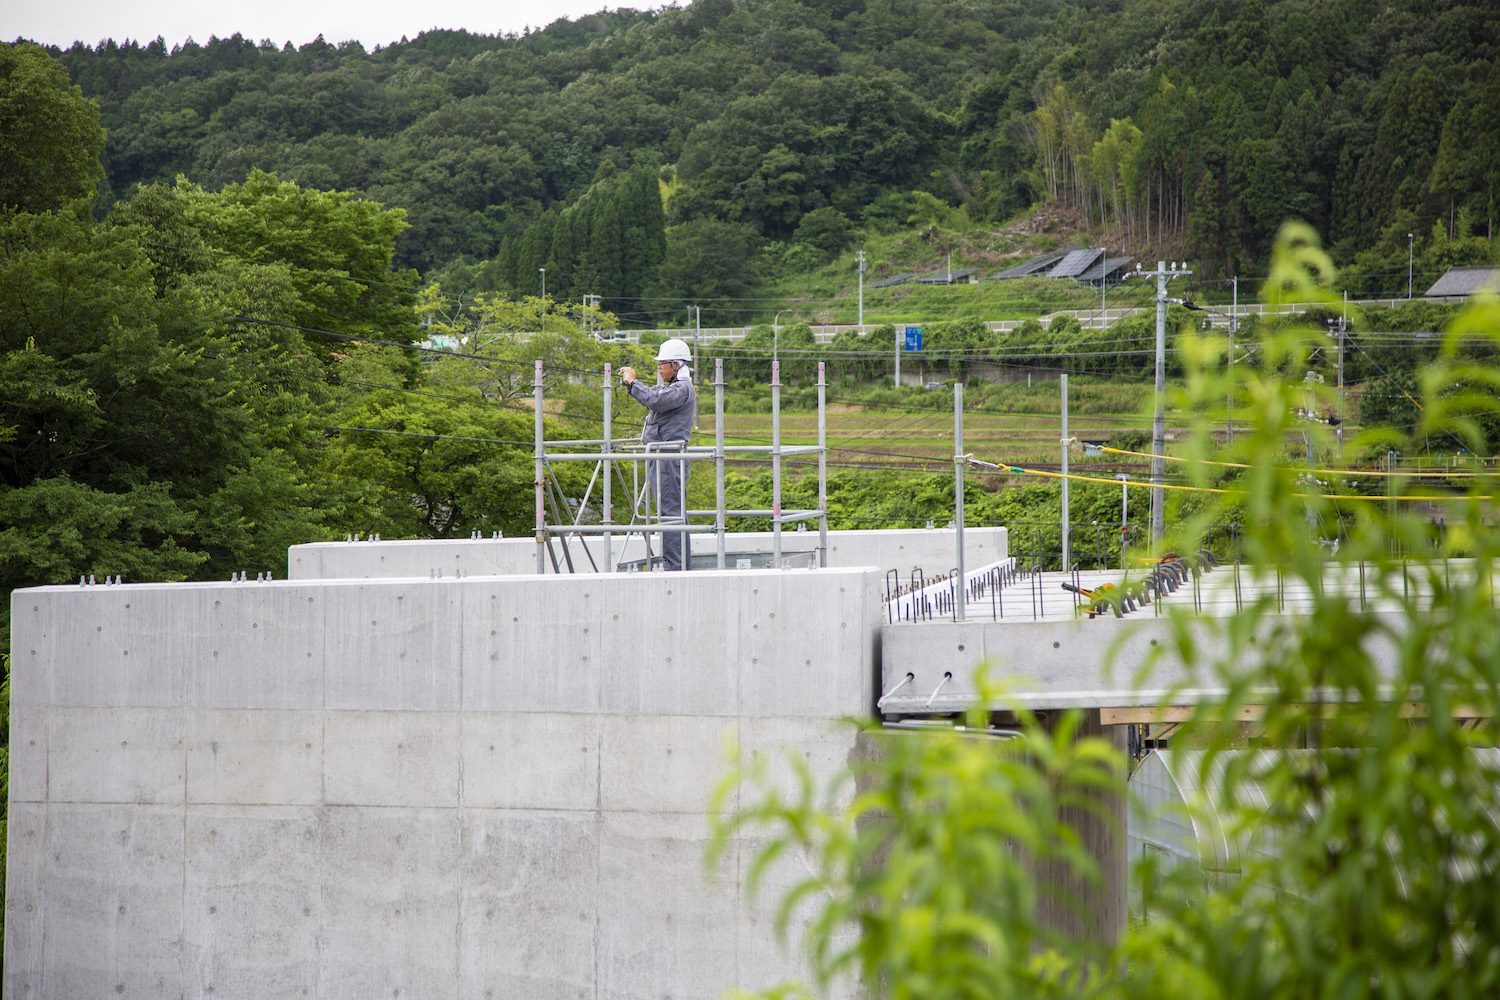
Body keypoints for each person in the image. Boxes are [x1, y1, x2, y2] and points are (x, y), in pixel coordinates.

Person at [620, 338, 698, 571]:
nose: (659, 368)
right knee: (671, 512)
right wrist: (631, 385)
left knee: (670, 513)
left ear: (676, 364)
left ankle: (675, 567)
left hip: (668, 458)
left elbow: (655, 400)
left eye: (662, 364)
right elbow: (654, 394)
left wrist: (634, 383)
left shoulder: (681, 389)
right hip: (662, 457)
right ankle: (678, 564)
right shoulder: (673, 387)